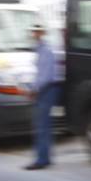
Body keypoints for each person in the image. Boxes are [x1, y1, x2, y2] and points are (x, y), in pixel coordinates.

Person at [24, 24, 60, 170]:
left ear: (42, 33)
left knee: (41, 126)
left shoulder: (45, 50)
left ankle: (41, 159)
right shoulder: (41, 49)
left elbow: (44, 76)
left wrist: (33, 90)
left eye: (37, 32)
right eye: (33, 31)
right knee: (44, 125)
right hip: (46, 89)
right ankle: (45, 157)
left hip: (47, 89)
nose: (35, 34)